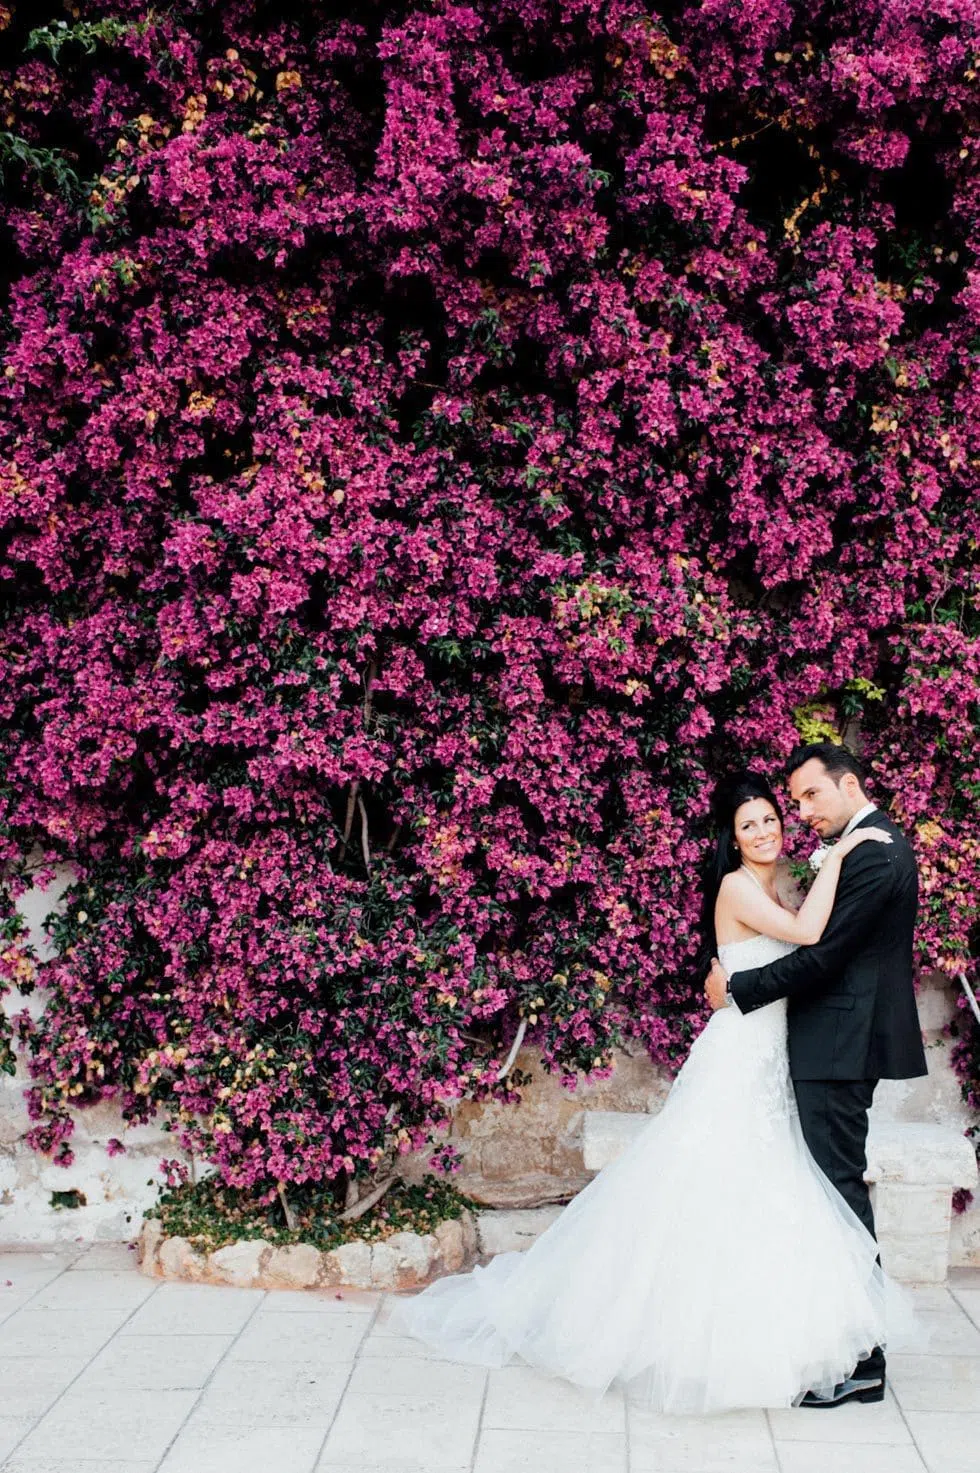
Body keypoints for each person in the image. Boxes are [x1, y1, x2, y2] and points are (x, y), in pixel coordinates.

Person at [389, 768, 915, 1415]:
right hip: (741, 1055)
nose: (764, 830)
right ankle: (687, 1334)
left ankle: (777, 1333)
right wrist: (842, 851)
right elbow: (808, 935)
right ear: (732, 836)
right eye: (749, 824)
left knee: (769, 1190)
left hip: (772, 1055)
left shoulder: (776, 882)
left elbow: (800, 948)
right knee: (708, 1186)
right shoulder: (737, 886)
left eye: (772, 818)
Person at [705, 742, 928, 1407]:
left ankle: (862, 1356)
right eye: (792, 801)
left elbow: (821, 957)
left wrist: (738, 987)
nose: (799, 813)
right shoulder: (857, 850)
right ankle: (849, 1345)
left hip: (839, 1046)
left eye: (808, 797)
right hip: (823, 1045)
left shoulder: (874, 852)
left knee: (838, 1197)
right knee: (829, 1194)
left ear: (849, 783)